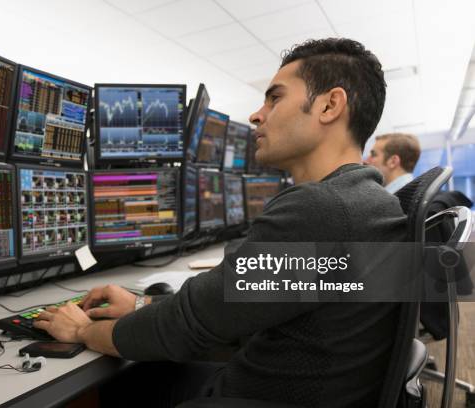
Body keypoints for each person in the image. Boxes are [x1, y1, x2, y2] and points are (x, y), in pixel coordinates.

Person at [33, 38, 407, 407]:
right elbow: (228, 308)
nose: (257, 115)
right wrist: (140, 305)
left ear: (330, 105)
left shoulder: (320, 208)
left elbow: (183, 328)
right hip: (292, 385)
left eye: (274, 98)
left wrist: (82, 330)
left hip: (251, 393)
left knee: (114, 388)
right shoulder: (367, 201)